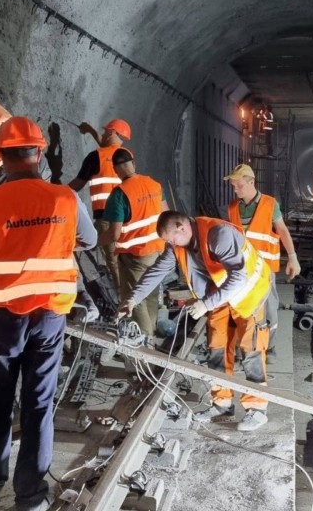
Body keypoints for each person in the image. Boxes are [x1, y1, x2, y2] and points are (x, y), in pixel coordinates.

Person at [0, 117, 96, 511]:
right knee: (38, 403)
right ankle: (31, 498)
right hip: (51, 318)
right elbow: (86, 240)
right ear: (38, 153)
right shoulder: (66, 200)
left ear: (1, 158)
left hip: (2, 319)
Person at [118, 211, 272, 432]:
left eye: (171, 239)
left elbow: (239, 277)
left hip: (249, 294)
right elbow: (157, 270)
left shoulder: (219, 235)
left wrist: (205, 305)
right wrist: (133, 298)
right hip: (217, 296)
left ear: (182, 227)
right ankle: (222, 404)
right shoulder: (177, 245)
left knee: (251, 351)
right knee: (217, 349)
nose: (170, 244)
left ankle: (257, 410)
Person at [223, 164, 300, 360]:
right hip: (242, 271)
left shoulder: (269, 204)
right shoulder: (233, 207)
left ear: (251, 182)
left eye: (239, 185)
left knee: (270, 312)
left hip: (264, 272)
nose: (235, 189)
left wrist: (292, 258)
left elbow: (282, 231)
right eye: (233, 186)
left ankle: (269, 346)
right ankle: (247, 349)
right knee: (244, 311)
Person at [98, 148, 168, 335]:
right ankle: (150, 334)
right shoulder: (154, 185)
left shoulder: (120, 194)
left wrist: (95, 241)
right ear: (133, 164)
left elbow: (114, 234)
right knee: (151, 293)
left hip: (135, 256)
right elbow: (166, 213)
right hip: (157, 251)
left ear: (115, 169)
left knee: (135, 300)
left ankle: (146, 346)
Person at [69, 119, 132, 291]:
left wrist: (57, 192)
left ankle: (122, 298)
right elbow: (108, 150)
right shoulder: (127, 156)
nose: (103, 134)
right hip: (127, 216)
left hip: (106, 216)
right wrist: (89, 130)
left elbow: (78, 184)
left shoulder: (95, 156)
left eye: (105, 132)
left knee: (112, 258)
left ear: (112, 133)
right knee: (123, 255)